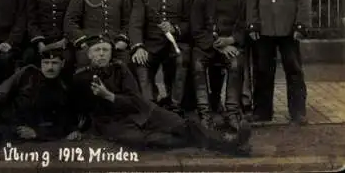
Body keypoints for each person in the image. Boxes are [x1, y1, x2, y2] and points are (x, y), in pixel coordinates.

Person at [71, 34, 251, 154]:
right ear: (89, 54)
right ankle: (219, 145)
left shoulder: (120, 68)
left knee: (180, 124)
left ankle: (231, 145)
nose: (101, 54)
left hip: (142, 111)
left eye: (105, 50)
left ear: (111, 53)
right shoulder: (81, 78)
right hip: (115, 123)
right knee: (151, 141)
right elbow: (76, 106)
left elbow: (134, 99)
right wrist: (76, 129)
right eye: (97, 50)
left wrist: (109, 96)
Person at [247, 0, 311, 125]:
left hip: (289, 27)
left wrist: (301, 24)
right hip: (264, 27)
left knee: (294, 69)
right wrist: (252, 24)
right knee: (263, 69)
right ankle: (262, 111)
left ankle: (298, 112)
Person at [129, 0, 191, 112]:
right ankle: (149, 105)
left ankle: (175, 105)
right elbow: (136, 22)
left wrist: (175, 28)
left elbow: (189, 22)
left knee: (181, 58)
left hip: (175, 43)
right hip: (150, 43)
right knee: (140, 60)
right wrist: (138, 46)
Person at [191, 0, 247, 132]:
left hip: (231, 45)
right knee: (198, 65)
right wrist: (217, 45)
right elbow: (196, 28)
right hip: (206, 46)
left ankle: (232, 111)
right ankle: (204, 112)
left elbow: (244, 25)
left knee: (236, 64)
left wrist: (231, 40)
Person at [230, 0, 267, 113]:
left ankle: (261, 104)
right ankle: (244, 101)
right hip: (241, 20)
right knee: (241, 62)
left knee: (261, 62)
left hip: (262, 20)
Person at [26, 0, 76, 76]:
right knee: (29, 59)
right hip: (42, 40)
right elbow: (31, 19)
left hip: (64, 41)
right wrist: (39, 41)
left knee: (69, 60)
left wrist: (65, 39)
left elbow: (74, 19)